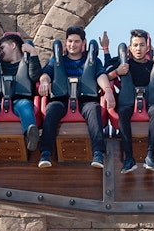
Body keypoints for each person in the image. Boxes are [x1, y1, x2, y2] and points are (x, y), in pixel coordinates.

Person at [36, 25, 115, 168]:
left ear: (83, 43)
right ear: (66, 42)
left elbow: (100, 75)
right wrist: (44, 81)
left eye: (76, 41)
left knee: (93, 109)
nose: (73, 45)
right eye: (70, 41)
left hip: (85, 99)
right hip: (61, 99)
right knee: (52, 109)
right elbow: (46, 73)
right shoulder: (58, 60)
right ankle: (45, 152)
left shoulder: (93, 61)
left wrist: (108, 90)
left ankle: (98, 153)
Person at [103, 29, 154, 173]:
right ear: (130, 48)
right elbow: (102, 74)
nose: (138, 49)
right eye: (135, 45)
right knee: (123, 112)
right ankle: (129, 158)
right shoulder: (123, 62)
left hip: (151, 103)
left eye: (142, 45)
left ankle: (150, 155)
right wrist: (116, 72)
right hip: (128, 103)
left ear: (148, 48)